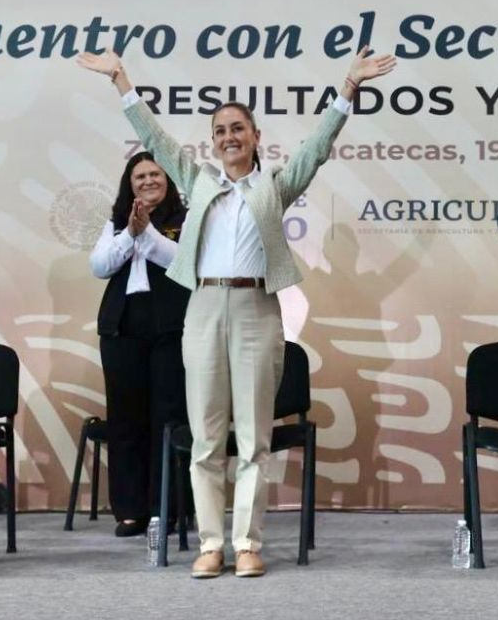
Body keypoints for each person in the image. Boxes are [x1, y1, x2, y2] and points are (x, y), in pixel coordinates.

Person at [78, 47, 396, 578]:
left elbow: (316, 150)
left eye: (238, 129)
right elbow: (155, 140)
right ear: (214, 141)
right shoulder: (198, 181)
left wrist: (349, 86)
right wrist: (120, 80)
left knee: (253, 435)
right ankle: (210, 543)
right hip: (201, 308)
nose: (228, 136)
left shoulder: (273, 186)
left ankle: (247, 542)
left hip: (257, 310)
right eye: (220, 129)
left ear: (254, 138)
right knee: (205, 434)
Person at [90, 151, 189, 537]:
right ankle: (129, 509)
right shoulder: (116, 223)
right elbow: (100, 267)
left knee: (167, 417)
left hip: (170, 329)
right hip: (121, 329)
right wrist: (129, 233)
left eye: (155, 174)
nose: (148, 181)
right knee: (125, 419)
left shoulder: (185, 221)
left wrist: (145, 232)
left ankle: (166, 507)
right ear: (128, 185)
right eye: (139, 176)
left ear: (168, 182)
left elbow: (180, 262)